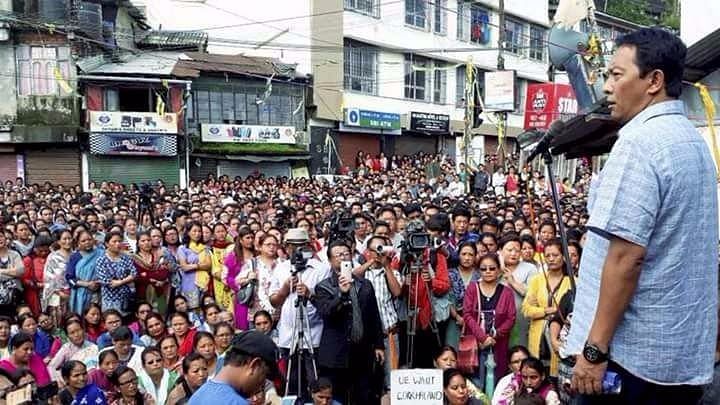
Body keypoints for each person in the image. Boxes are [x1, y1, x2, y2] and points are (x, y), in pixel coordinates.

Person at [566, 28, 719, 403]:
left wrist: (594, 350)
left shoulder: (640, 142)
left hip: (628, 363)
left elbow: (626, 256)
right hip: (677, 360)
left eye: (616, 75)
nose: (606, 87)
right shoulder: (691, 141)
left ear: (654, 81)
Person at [314, 240, 385, 404]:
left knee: (363, 396)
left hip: (362, 352)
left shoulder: (364, 284)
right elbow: (327, 313)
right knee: (337, 398)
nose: (344, 257)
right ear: (331, 260)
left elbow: (374, 316)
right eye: (338, 255)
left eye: (347, 253)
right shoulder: (323, 287)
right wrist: (341, 294)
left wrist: (379, 345)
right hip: (336, 355)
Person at [269, 228, 330, 399]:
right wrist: (285, 289)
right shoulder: (281, 268)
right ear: (286, 247)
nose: (296, 250)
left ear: (308, 246)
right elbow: (274, 301)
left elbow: (326, 303)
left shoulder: (321, 269)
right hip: (289, 336)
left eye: (301, 245)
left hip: (314, 336)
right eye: (292, 246)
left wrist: (310, 294)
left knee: (315, 382)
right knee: (291, 382)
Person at [463, 253, 516, 391]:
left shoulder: (507, 292)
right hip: (476, 343)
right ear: (479, 270)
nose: (488, 272)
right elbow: (467, 314)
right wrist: (482, 337)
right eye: (483, 269)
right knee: (476, 382)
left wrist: (494, 336)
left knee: (497, 380)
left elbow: (511, 318)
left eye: (492, 268)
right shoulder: (472, 288)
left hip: (497, 343)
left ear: (498, 270)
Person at [522, 239, 572, 378]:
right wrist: (547, 311)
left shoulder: (573, 282)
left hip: (561, 337)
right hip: (538, 336)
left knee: (557, 377)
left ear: (563, 256)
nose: (551, 259)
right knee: (537, 375)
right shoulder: (537, 280)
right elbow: (526, 309)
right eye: (548, 255)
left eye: (555, 255)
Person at [189, 330, 279, 404]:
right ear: (254, 366)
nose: (261, 385)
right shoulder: (236, 402)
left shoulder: (198, 396)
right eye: (264, 376)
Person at [498, 234, 538, 348]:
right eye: (509, 250)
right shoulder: (494, 268)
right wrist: (501, 266)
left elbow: (532, 295)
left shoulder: (530, 268)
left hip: (522, 320)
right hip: (498, 321)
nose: (513, 254)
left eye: (517, 250)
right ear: (500, 251)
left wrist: (513, 282)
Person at [96, 232, 137, 316]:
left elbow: (134, 273)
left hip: (126, 297)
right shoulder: (101, 260)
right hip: (110, 300)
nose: (117, 244)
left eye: (119, 241)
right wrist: (127, 279)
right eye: (114, 241)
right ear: (107, 244)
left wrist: (120, 282)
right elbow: (106, 281)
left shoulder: (125, 258)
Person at [133, 232, 171, 315]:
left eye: (148, 240)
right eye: (143, 241)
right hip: (142, 295)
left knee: (160, 318)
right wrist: (153, 276)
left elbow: (164, 274)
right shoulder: (135, 259)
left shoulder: (158, 256)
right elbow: (137, 276)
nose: (146, 243)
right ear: (138, 243)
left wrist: (147, 275)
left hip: (159, 292)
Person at [177, 222, 212, 310]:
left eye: (199, 231)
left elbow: (208, 265)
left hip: (204, 283)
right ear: (188, 232)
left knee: (206, 308)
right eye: (194, 231)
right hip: (189, 283)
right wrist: (199, 265)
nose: (197, 234)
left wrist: (192, 266)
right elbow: (184, 267)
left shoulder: (205, 248)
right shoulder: (183, 248)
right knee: (192, 310)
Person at [494, 357, 560, 405]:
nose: (528, 382)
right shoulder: (516, 386)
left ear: (542, 376)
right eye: (524, 377)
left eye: (533, 377)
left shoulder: (550, 395)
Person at [67, 230, 103, 315]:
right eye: (83, 241)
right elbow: (70, 278)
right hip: (81, 293)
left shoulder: (101, 253)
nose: (87, 242)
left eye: (89, 240)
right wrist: (87, 284)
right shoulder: (75, 257)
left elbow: (108, 272)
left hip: (99, 293)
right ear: (78, 243)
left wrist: (99, 282)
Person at [43, 229, 72, 326]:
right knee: (57, 323)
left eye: (69, 238)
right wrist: (60, 292)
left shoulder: (76, 255)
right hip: (57, 294)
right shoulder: (53, 257)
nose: (67, 241)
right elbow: (48, 278)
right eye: (64, 239)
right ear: (59, 241)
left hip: (74, 294)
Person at [0, 232, 24, 317]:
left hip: (15, 295)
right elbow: (16, 272)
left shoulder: (14, 254)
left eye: (1, 236)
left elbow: (20, 271)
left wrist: (1, 271)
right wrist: (12, 273)